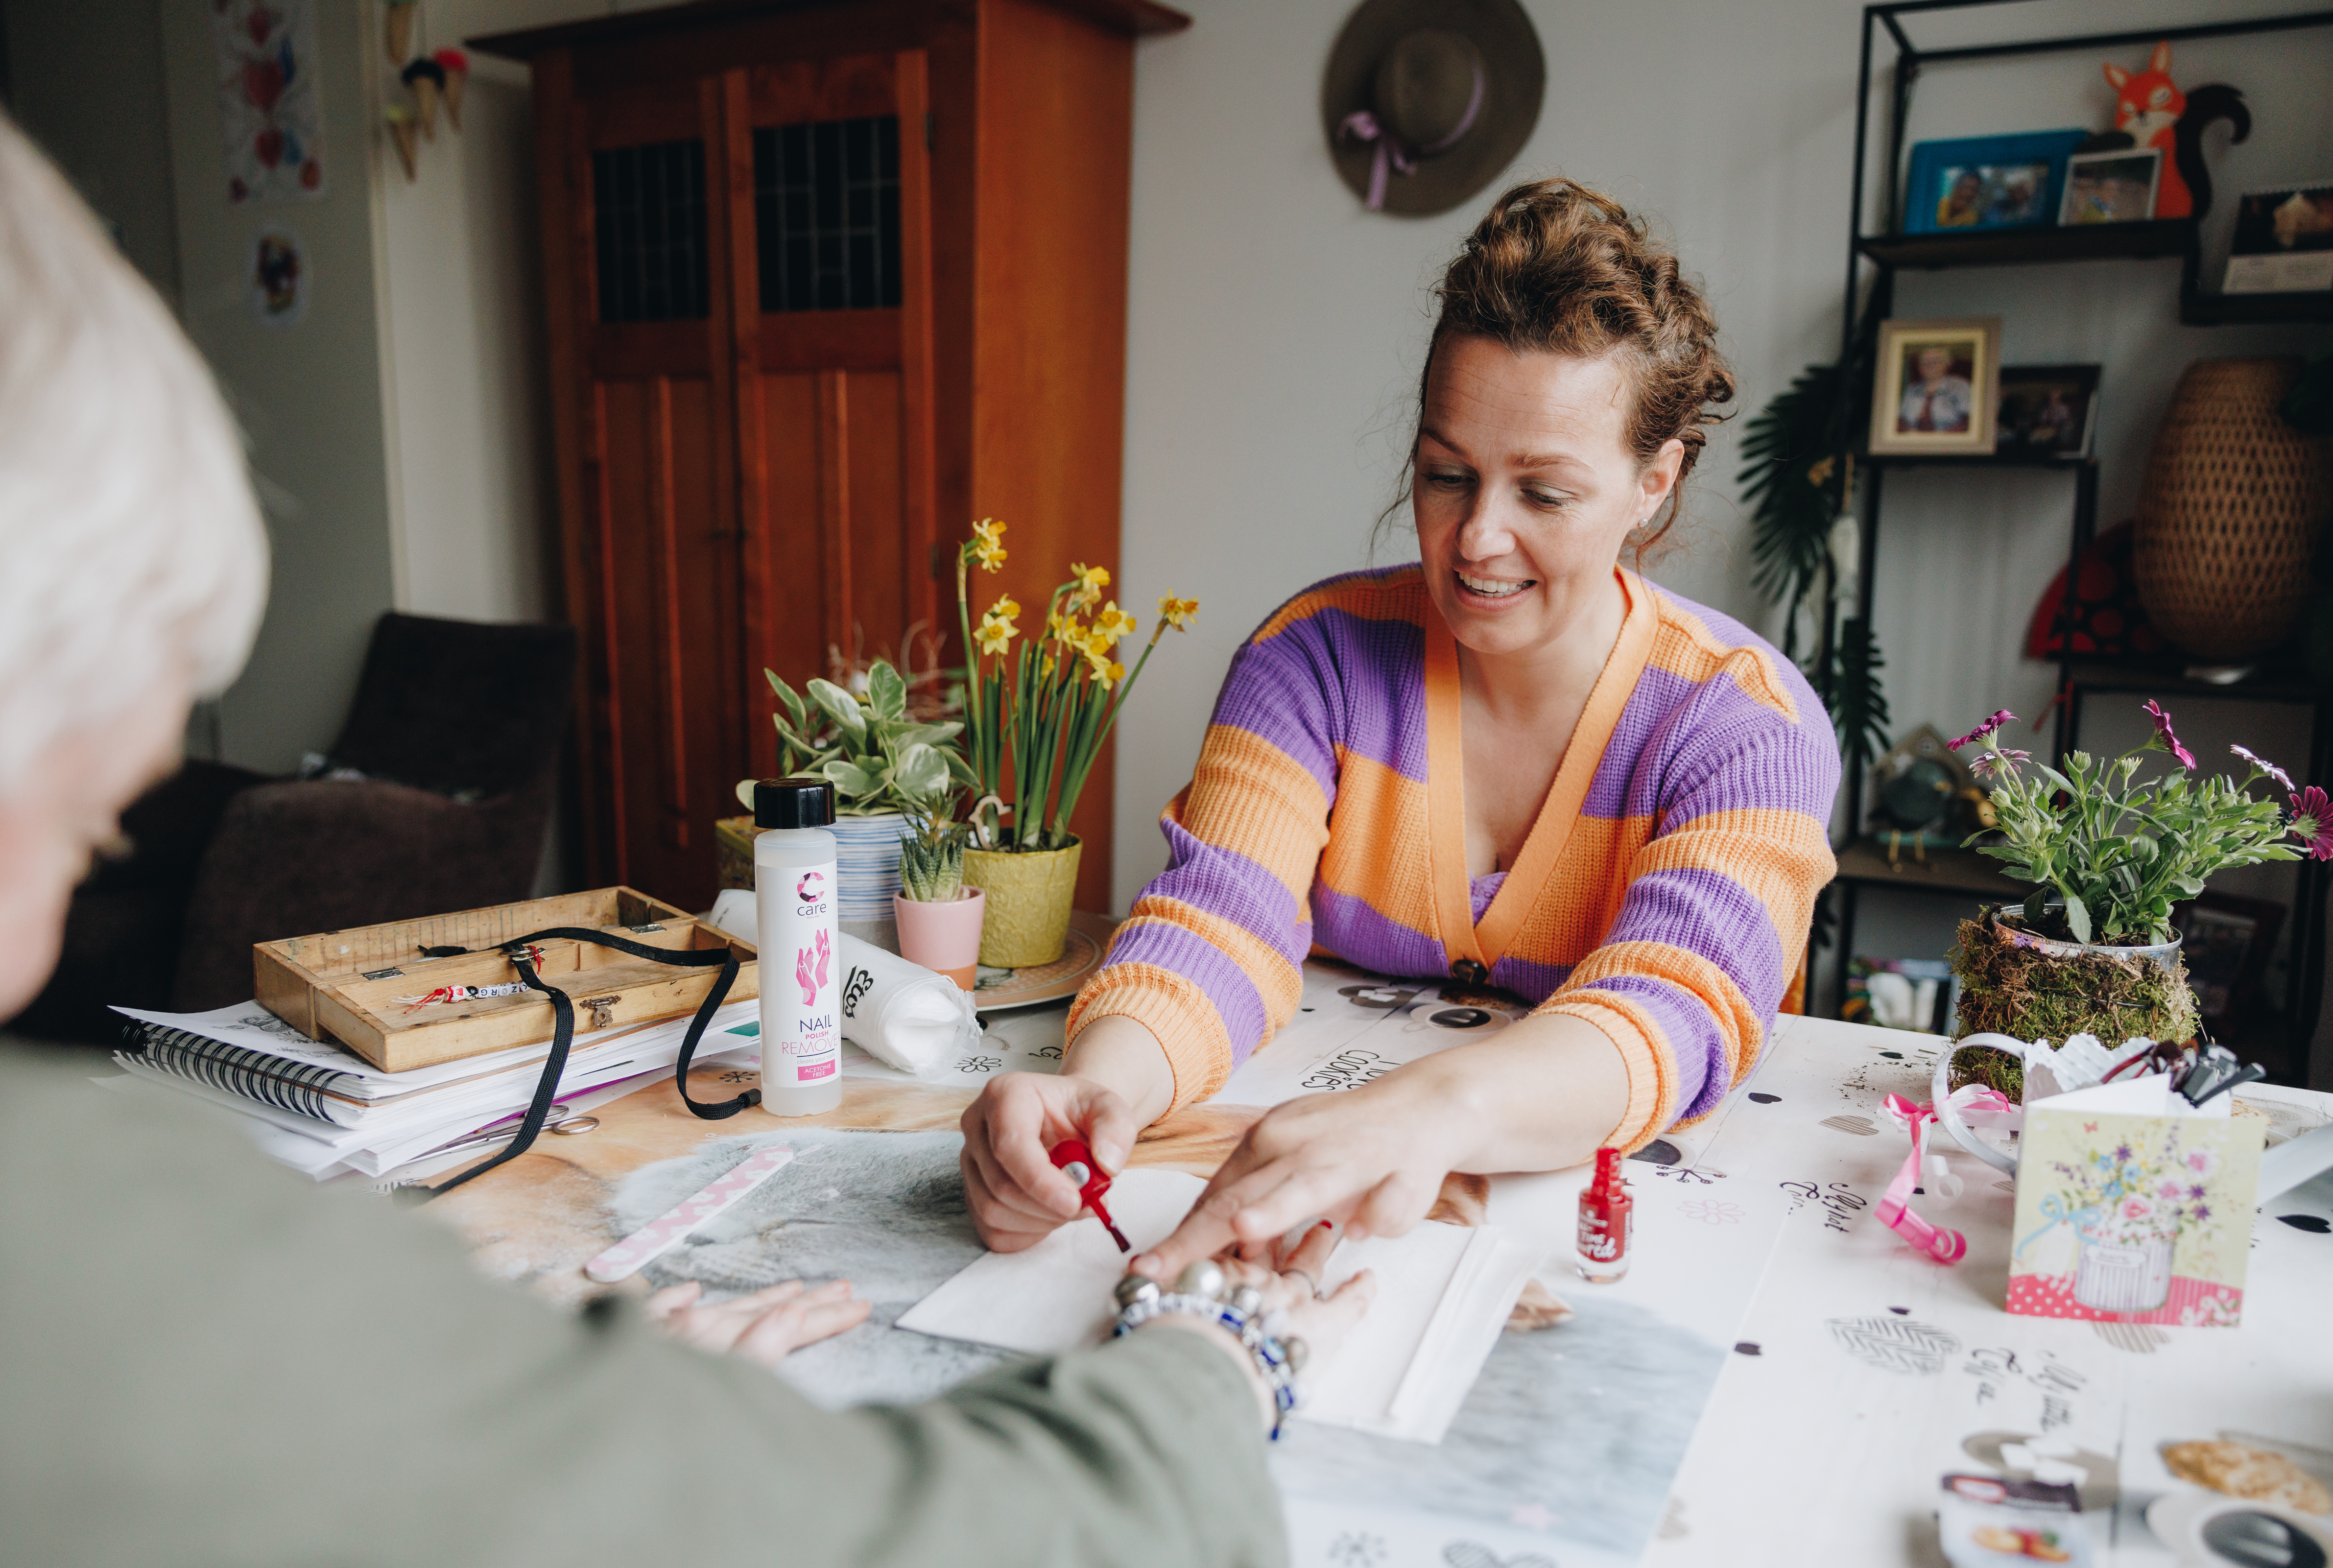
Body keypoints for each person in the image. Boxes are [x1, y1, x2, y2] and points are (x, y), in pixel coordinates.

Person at [0, 113, 1370, 1566]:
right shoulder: (81, 1260)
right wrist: (1223, 1346)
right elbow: (1009, 1536)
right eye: (82, 828)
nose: (44, 944)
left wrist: (512, 1411)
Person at [960, 179, 1839, 1281]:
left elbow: (1677, 1002)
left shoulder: (1745, 722)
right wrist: (1105, 1085)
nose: (1478, 538)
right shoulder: (1313, 657)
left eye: (1546, 494)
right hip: (1334, 1211)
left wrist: (1421, 1113)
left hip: (1603, 1253)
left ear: (1652, 485)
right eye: (1446, 474)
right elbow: (1215, 923)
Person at [1897, 344, 1973, 434]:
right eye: (1924, 362)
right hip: (1913, 442)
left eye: (1934, 362)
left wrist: (1942, 437)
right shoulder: (1911, 390)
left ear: (1947, 364)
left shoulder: (1960, 387)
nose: (1928, 366)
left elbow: (1969, 421)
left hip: (1950, 443)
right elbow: (1899, 421)